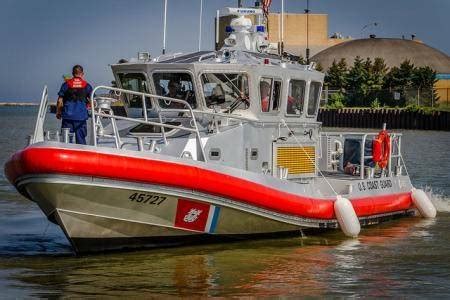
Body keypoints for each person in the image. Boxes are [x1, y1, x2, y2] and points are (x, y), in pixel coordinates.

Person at [56, 65, 93, 144]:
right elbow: (93, 100)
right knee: (81, 141)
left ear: (73, 73)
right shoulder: (87, 86)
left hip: (67, 117)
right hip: (81, 118)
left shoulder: (66, 84)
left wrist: (58, 112)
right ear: (82, 73)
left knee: (66, 141)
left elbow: (60, 100)